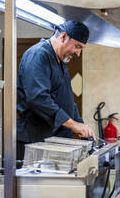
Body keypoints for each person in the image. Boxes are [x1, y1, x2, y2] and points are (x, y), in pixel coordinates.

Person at [16, 20, 96, 160]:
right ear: (63, 36)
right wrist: (73, 125)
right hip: (35, 142)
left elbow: (66, 99)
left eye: (81, 49)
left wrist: (81, 125)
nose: (78, 53)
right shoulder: (38, 55)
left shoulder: (59, 60)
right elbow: (38, 98)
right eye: (77, 46)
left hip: (53, 141)